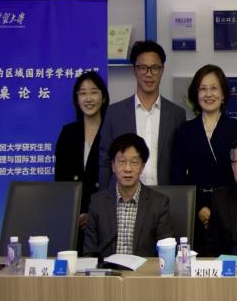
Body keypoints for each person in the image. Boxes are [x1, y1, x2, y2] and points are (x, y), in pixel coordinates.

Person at [170, 64, 237, 253]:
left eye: (214, 88)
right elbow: (177, 176)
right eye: (203, 89)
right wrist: (198, 207)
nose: (208, 94)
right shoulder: (185, 130)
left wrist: (219, 209)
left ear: (223, 94)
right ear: (196, 94)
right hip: (194, 207)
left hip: (228, 207)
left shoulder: (235, 128)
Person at [99, 41, 185, 190]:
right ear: (134, 70)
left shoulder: (176, 114)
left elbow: (180, 162)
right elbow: (105, 161)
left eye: (155, 68)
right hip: (122, 197)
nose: (149, 73)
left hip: (164, 196)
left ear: (162, 70)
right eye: (143, 68)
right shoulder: (114, 113)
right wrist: (104, 197)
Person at [83, 133, 172, 258]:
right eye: (122, 161)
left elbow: (166, 253)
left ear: (142, 166)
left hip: (143, 269)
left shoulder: (159, 203)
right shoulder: (98, 202)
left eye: (134, 162)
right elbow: (88, 252)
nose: (128, 169)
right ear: (113, 165)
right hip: (107, 269)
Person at [54, 71, 108, 249]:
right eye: (83, 93)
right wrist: (74, 214)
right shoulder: (68, 133)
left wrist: (92, 213)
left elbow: (114, 180)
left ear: (103, 97)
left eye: (94, 92)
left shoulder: (111, 132)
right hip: (73, 220)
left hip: (104, 218)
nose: (88, 98)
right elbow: (60, 181)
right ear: (77, 99)